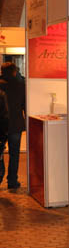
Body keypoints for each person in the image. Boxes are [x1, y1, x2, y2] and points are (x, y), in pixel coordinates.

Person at [0, 62, 25, 190]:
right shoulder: (21, 85)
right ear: (14, 71)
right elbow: (24, 105)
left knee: (0, 153)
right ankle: (12, 181)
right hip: (15, 124)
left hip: (1, 126)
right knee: (14, 154)